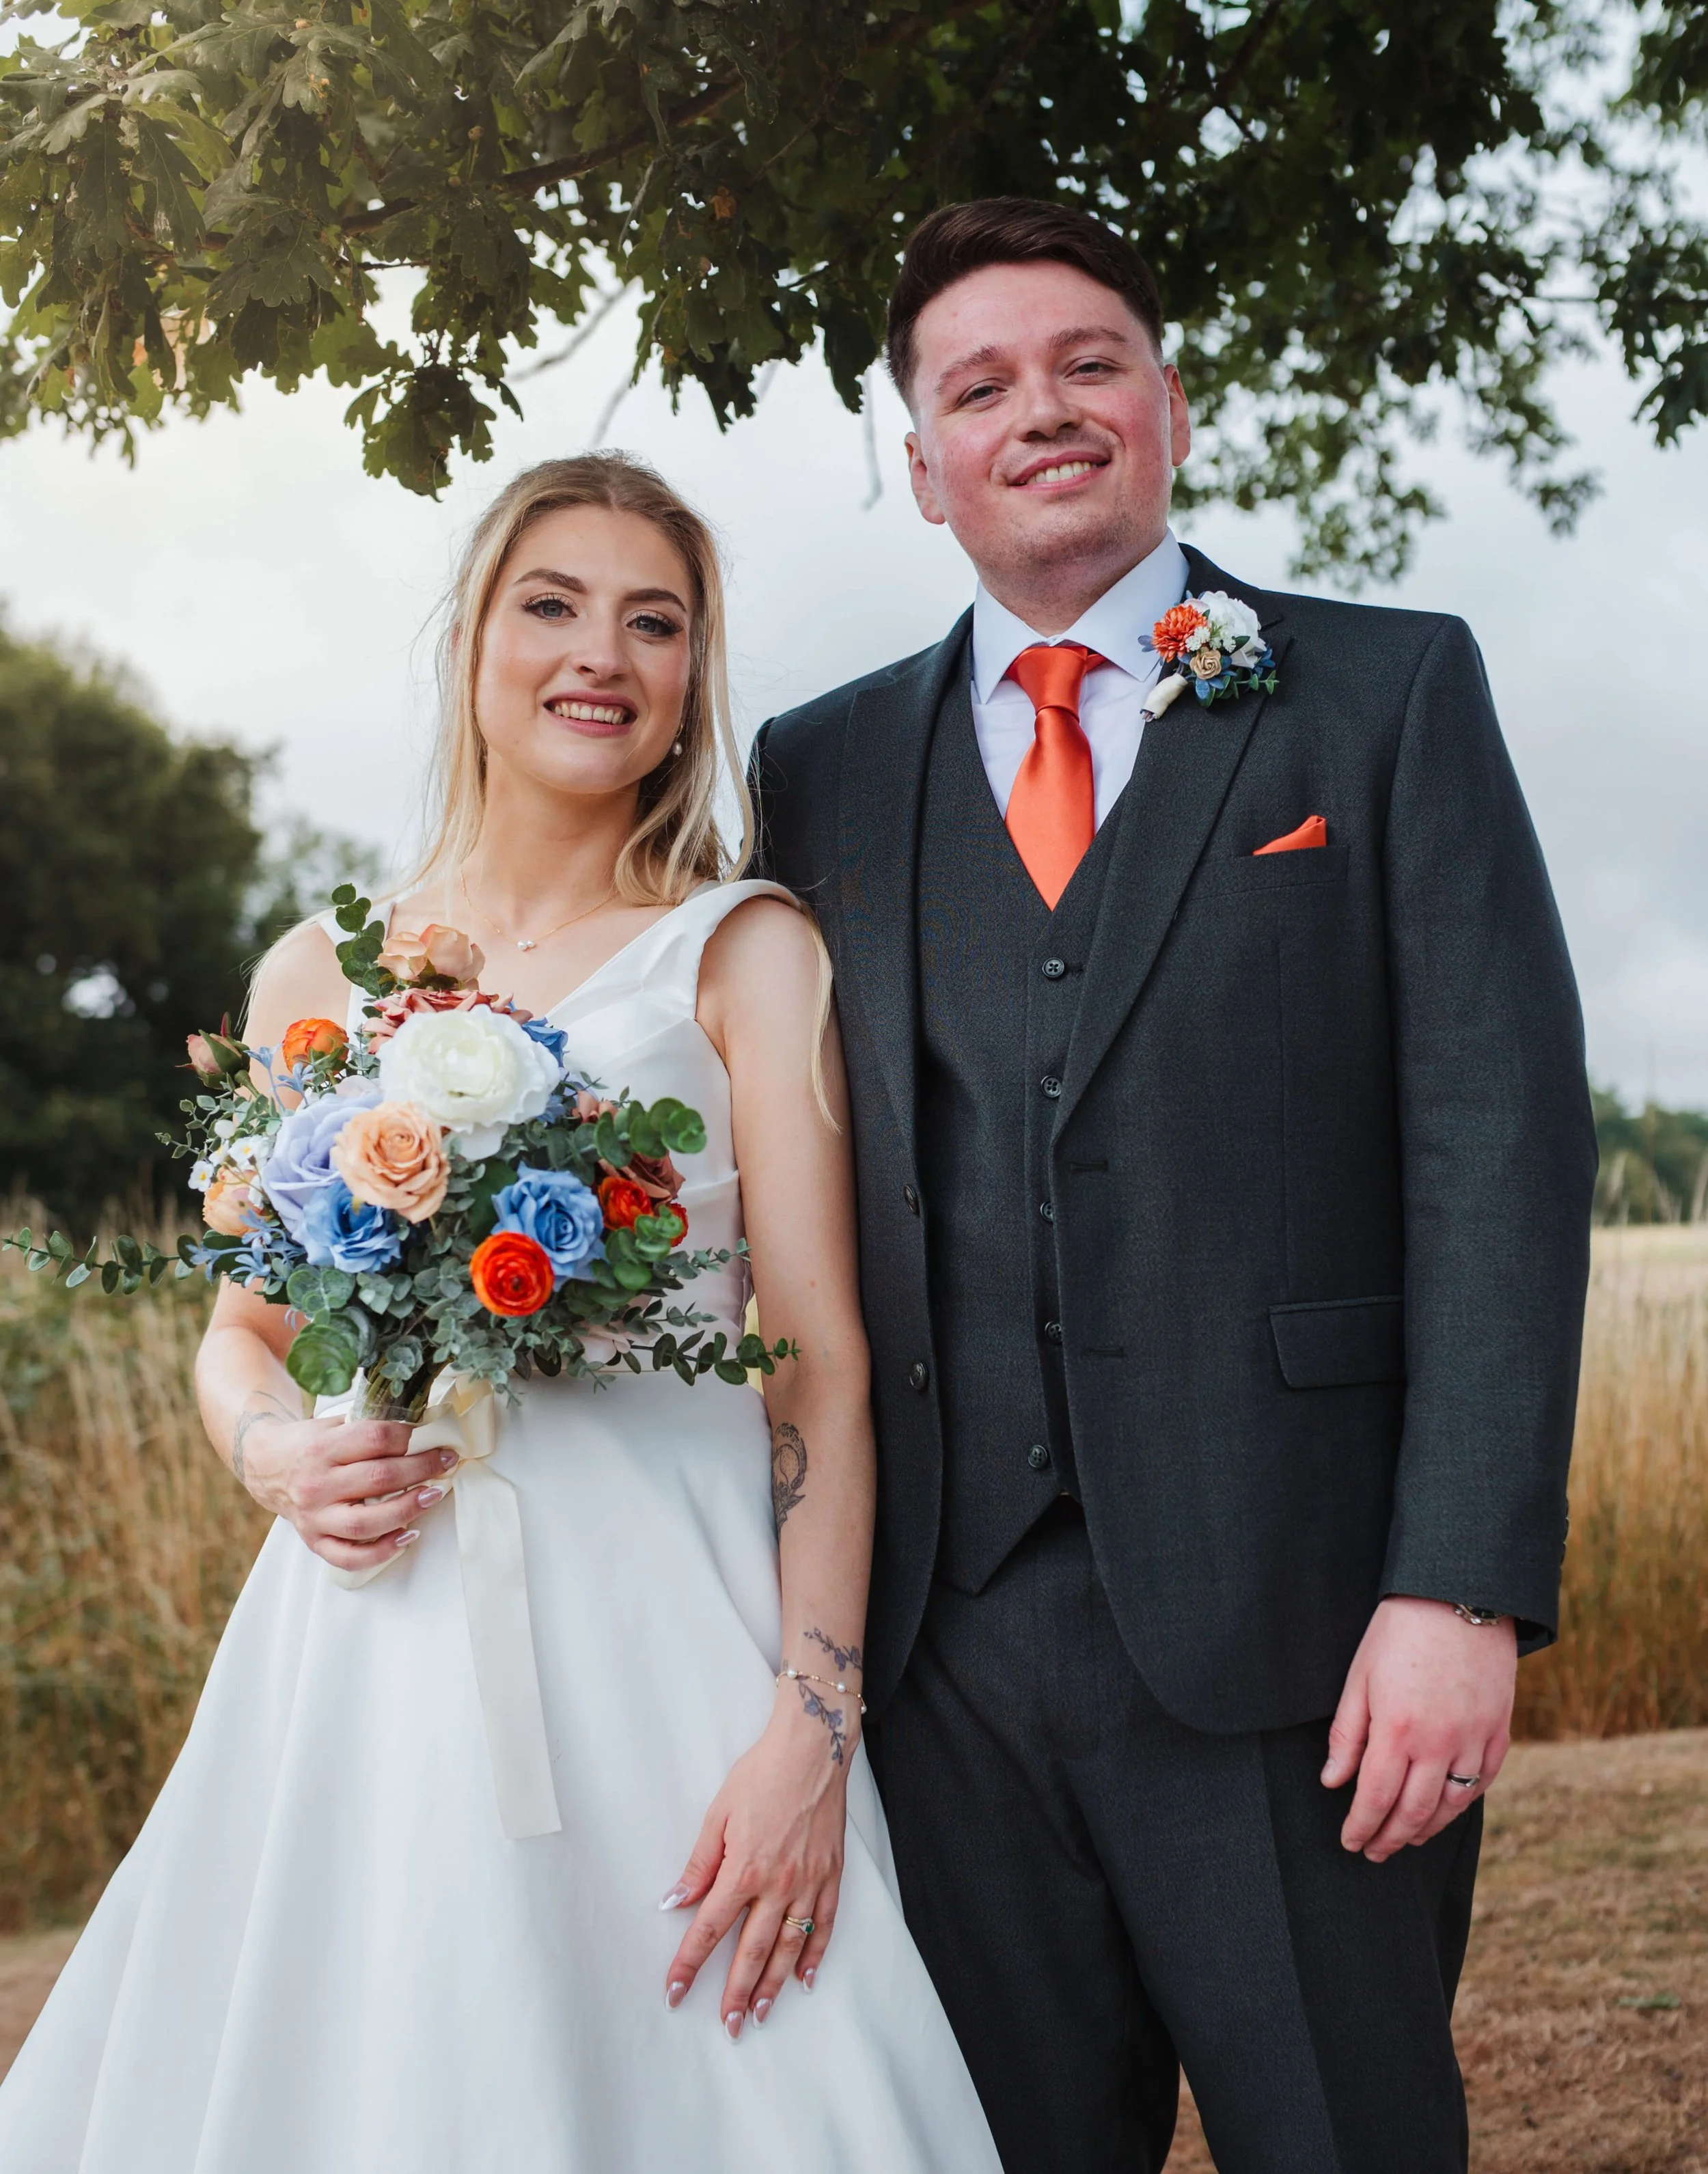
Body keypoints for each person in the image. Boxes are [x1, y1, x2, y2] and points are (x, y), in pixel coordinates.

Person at [0, 455, 1001, 2173]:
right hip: (370, 1641)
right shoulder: (319, 972)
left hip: (671, 1640)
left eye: (654, 620)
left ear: (692, 683)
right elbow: (241, 1332)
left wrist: (809, 1723)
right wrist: (272, 1461)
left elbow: (817, 1370)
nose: (596, 652)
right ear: (473, 637)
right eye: (551, 603)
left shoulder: (741, 951)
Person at [748, 197, 1597, 2173]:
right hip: (940, 1655)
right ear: (922, 466)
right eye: (979, 386)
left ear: (1170, 404)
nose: (1038, 409)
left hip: (1302, 1637)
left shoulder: (1383, 698)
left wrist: (1456, 1584)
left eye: (1085, 362)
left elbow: (1498, 1145)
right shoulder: (819, 772)